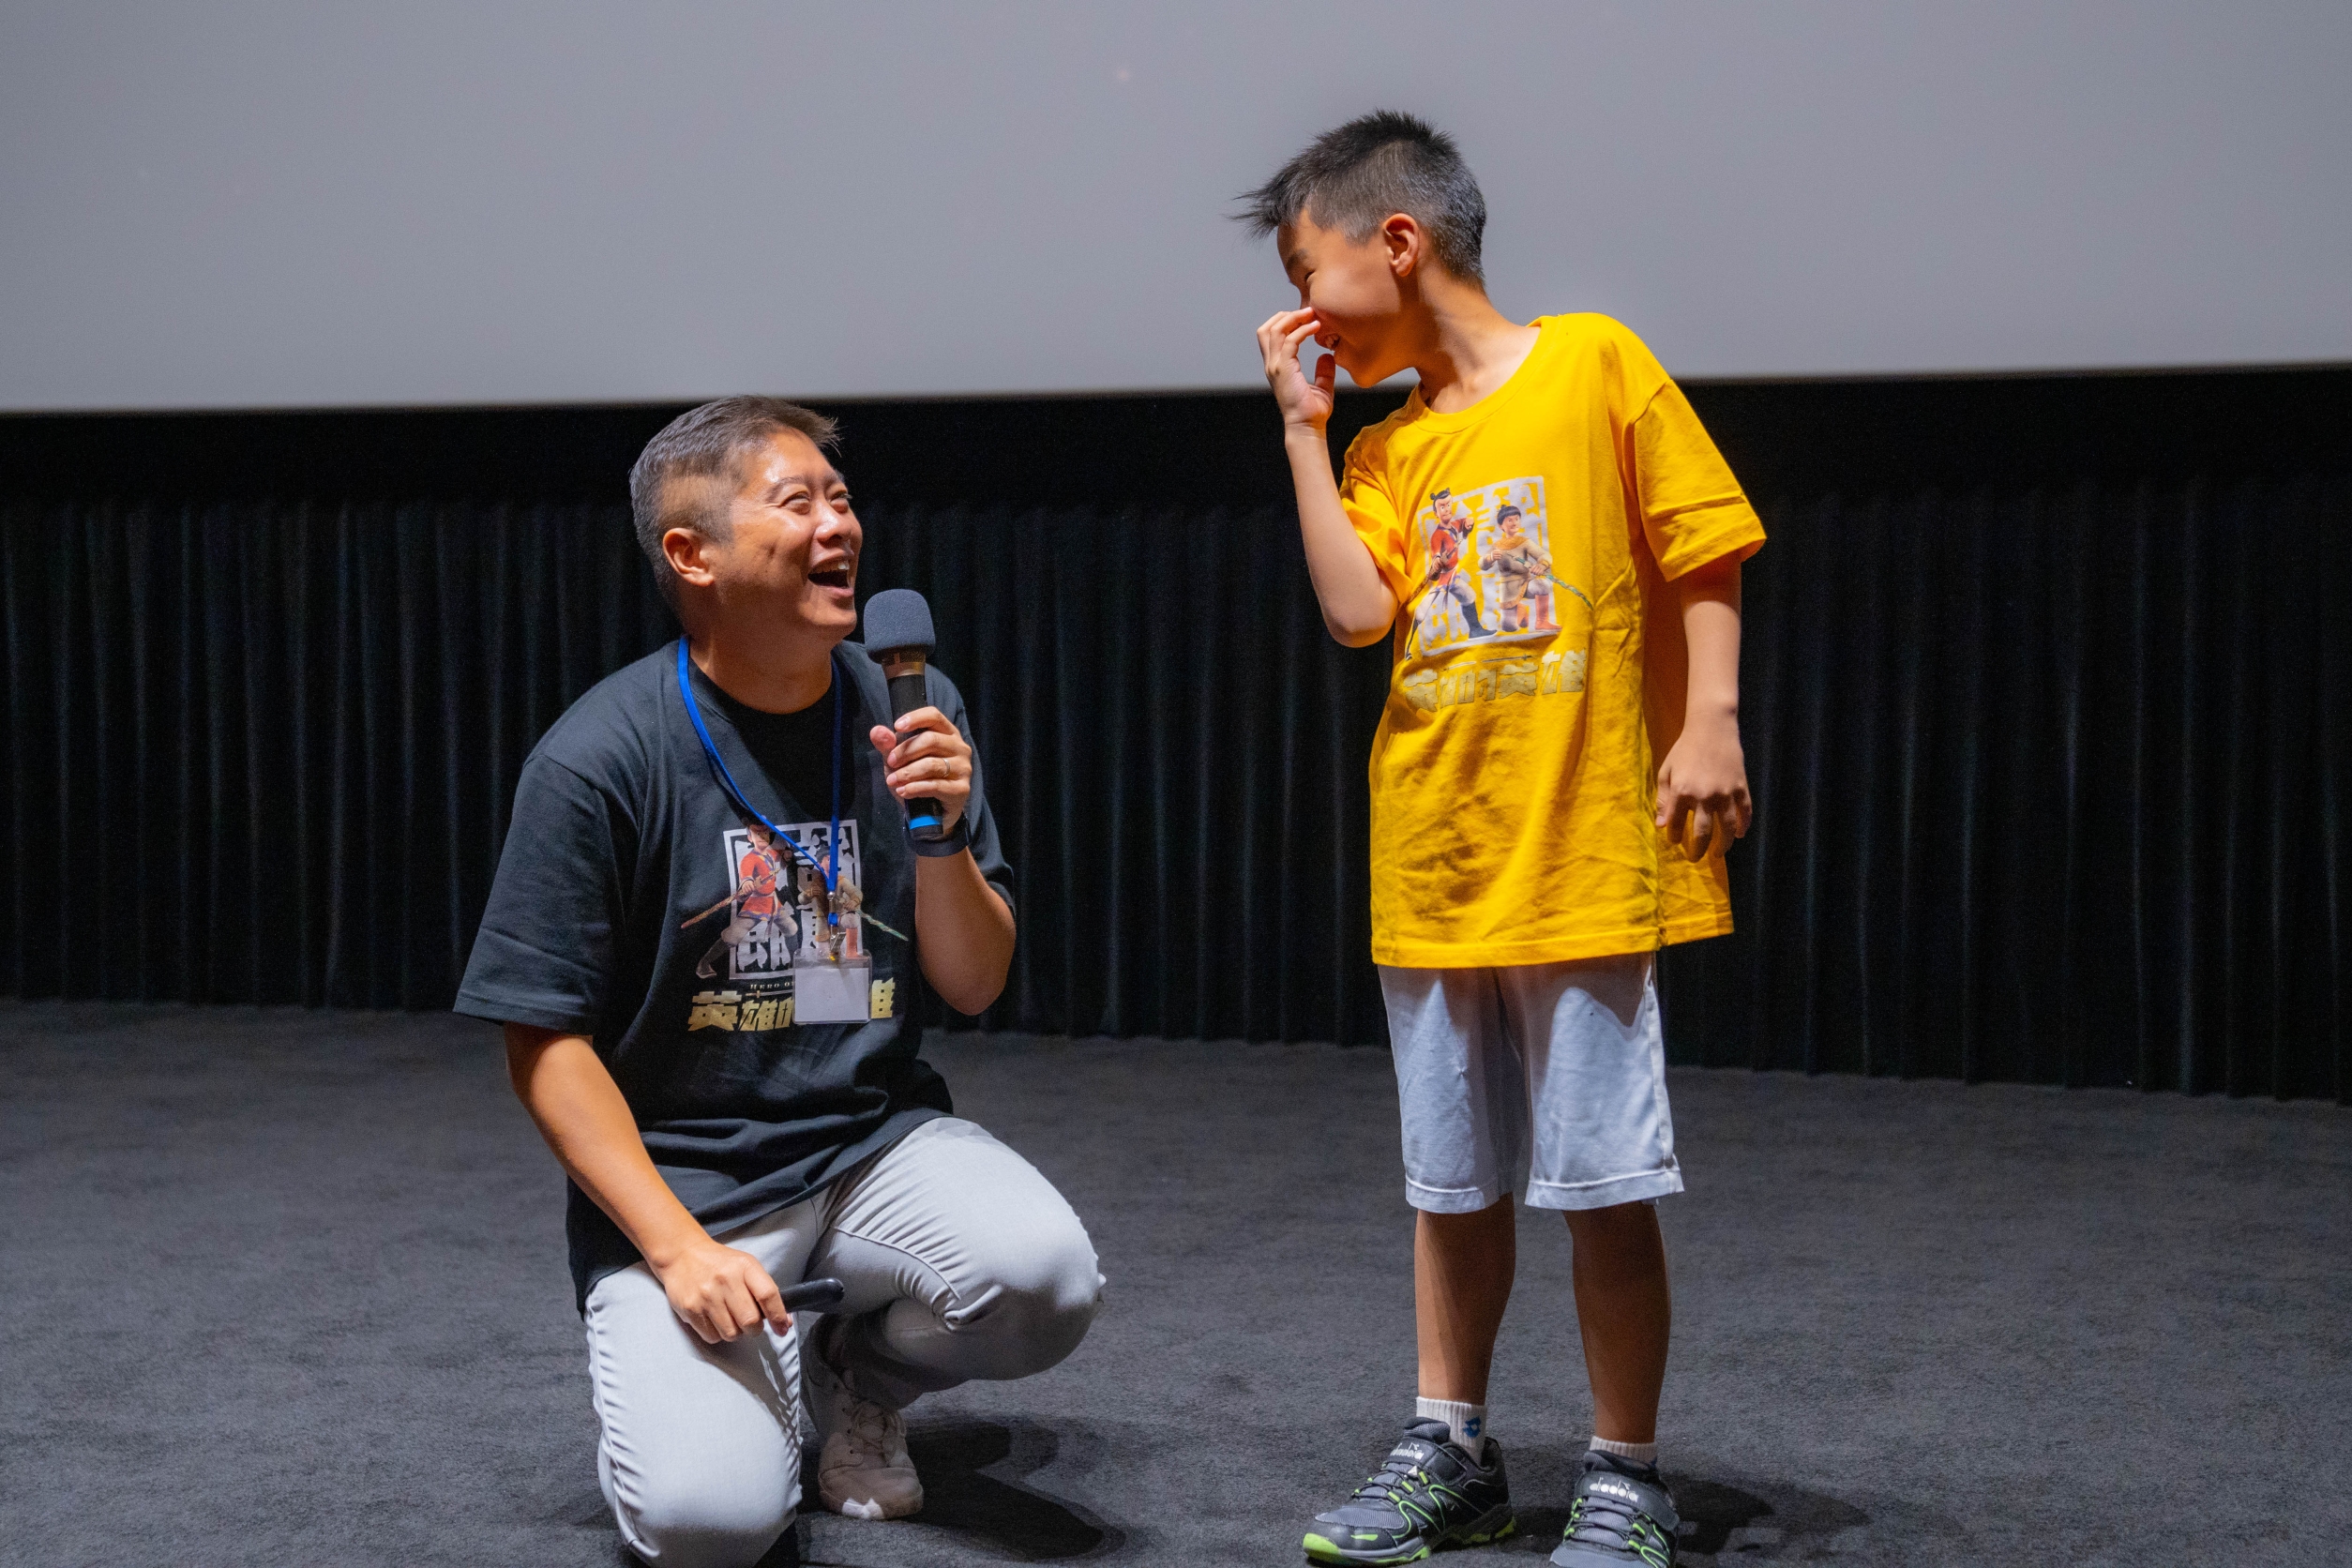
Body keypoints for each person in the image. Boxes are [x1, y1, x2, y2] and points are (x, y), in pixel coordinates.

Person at [456, 397, 1102, 1568]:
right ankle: (699, 1391)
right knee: (712, 1526)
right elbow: (541, 1046)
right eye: (794, 500)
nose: (836, 525)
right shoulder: (602, 756)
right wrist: (675, 1250)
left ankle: (861, 1373)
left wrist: (947, 839)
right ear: (691, 556)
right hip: (692, 1187)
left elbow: (971, 980)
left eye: (841, 498)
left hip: (869, 1144)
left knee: (1042, 1280)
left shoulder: (914, 710)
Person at [1244, 113, 1763, 1567]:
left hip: (1584, 848)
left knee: (1602, 1180)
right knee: (1450, 1181)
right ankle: (1452, 1446)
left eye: (1305, 264)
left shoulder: (1593, 360)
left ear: (1394, 242)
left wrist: (1707, 717)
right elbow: (1360, 612)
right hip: (1439, 856)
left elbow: (1699, 538)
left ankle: (1624, 1470)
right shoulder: (1389, 447)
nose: (1290, 308)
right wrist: (1303, 429)